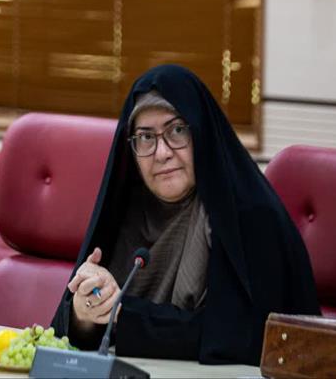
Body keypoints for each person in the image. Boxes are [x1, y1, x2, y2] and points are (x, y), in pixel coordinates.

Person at [51, 64, 319, 364]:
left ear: (201, 132)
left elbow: (242, 337)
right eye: (145, 137)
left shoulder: (248, 215)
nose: (162, 152)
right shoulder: (124, 210)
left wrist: (124, 314)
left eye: (177, 130)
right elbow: (68, 335)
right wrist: (84, 314)